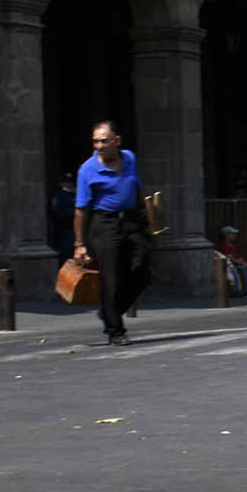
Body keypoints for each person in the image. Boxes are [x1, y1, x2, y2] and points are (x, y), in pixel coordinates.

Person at [73, 121, 152, 346]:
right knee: (111, 278)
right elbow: (80, 210)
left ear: (116, 141)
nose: (99, 146)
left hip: (130, 220)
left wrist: (147, 215)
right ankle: (115, 330)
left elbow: (137, 187)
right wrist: (79, 244)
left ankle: (111, 311)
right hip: (104, 224)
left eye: (104, 141)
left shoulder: (130, 158)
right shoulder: (87, 169)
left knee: (143, 268)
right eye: (96, 141)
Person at [216, 224, 247, 297]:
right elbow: (231, 259)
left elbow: (240, 257)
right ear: (226, 235)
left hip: (238, 265)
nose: (234, 235)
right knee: (245, 269)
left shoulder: (234, 245)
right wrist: (245, 264)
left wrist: (246, 263)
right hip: (230, 267)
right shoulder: (224, 245)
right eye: (232, 234)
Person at [48, 172, 76, 254]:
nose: (68, 184)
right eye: (66, 182)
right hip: (64, 230)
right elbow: (56, 213)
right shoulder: (58, 195)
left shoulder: (75, 194)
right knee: (64, 253)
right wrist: (75, 213)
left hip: (74, 230)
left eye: (70, 182)